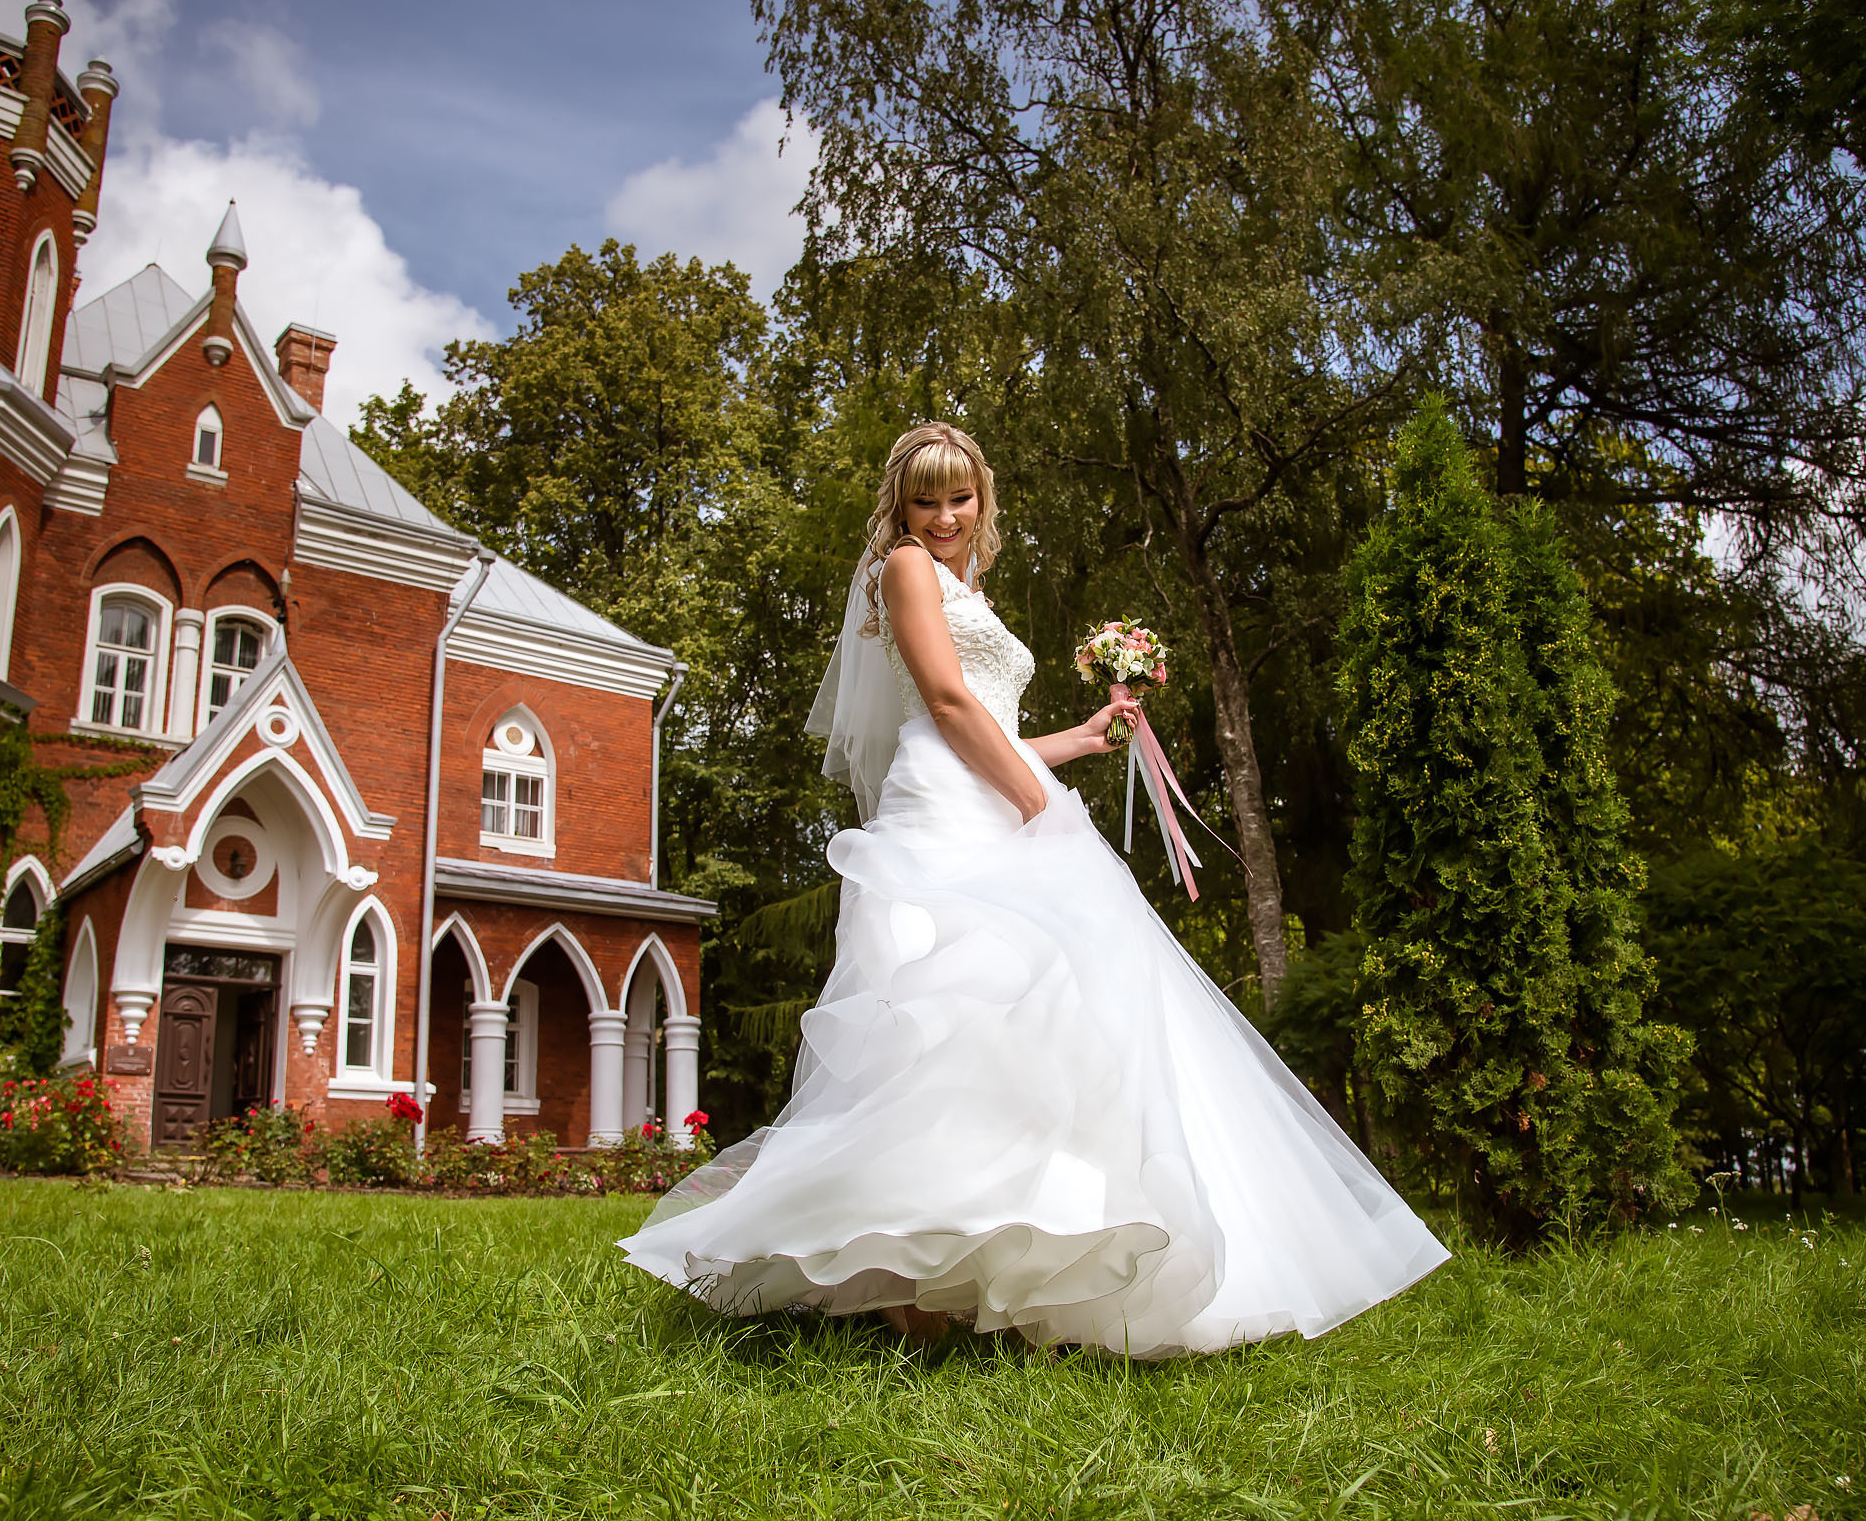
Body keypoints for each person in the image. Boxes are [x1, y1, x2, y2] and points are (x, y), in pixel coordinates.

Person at [616, 423, 1451, 1357]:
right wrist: (1032, 802)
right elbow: (946, 706)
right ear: (901, 506)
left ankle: (1005, 1269)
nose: (943, 516)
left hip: (994, 788)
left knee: (1038, 1026)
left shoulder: (968, 587)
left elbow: (991, 723)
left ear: (982, 498)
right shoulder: (904, 568)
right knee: (946, 1023)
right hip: (950, 810)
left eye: (959, 497)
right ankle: (909, 1281)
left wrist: (1082, 742)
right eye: (926, 499)